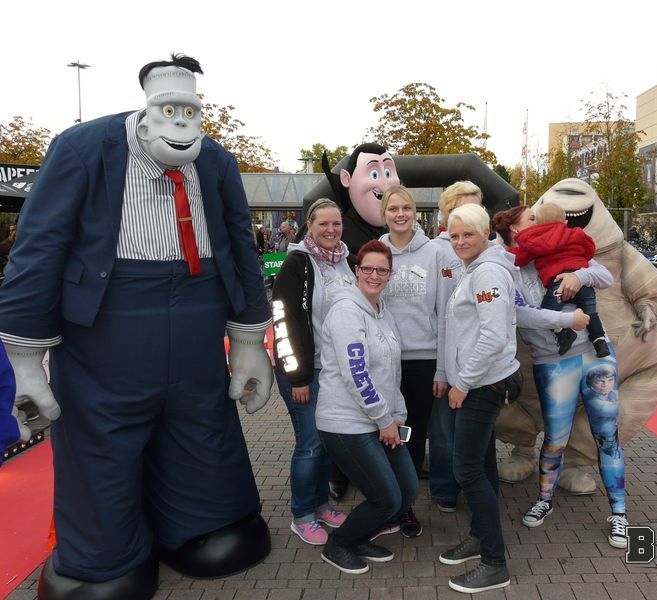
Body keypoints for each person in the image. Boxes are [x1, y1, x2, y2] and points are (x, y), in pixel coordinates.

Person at [0, 54, 274, 597]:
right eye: (170, 111)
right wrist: (27, 362)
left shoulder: (215, 161)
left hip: (197, 318)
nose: (181, 125)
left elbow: (239, 245)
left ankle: (205, 522)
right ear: (147, 112)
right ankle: (104, 557)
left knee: (201, 423)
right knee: (101, 439)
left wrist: (248, 341)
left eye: (190, 112)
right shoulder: (83, 148)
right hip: (106, 327)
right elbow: (40, 248)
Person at [492, 205, 626, 550]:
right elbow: (518, 314)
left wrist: (579, 276)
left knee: (607, 436)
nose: (540, 223)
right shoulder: (506, 265)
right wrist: (565, 321)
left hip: (596, 356)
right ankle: (544, 499)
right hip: (552, 363)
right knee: (555, 439)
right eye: (531, 219)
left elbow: (605, 276)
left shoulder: (564, 246)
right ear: (516, 230)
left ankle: (619, 513)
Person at [315, 240, 417, 574]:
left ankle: (359, 536)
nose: (374, 275)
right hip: (346, 424)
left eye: (381, 270)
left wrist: (396, 415)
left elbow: (392, 371)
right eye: (368, 268)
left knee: (408, 489)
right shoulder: (346, 311)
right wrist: (383, 419)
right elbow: (356, 373)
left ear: (390, 275)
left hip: (380, 420)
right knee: (386, 498)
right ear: (357, 271)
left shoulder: (382, 310)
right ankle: (339, 544)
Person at [438, 203, 516, 594]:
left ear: (486, 233)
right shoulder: (473, 269)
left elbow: (493, 336)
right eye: (454, 235)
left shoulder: (487, 272)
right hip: (476, 382)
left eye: (468, 233)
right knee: (482, 465)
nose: (459, 241)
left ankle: (494, 562)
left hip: (482, 385)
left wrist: (463, 382)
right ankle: (480, 536)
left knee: (466, 469)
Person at [271, 198, 353, 546]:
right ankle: (302, 514)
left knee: (325, 443)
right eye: (324, 224)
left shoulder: (345, 261)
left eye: (336, 224)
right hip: (306, 371)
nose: (331, 230)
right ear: (310, 225)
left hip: (333, 371)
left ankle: (320, 505)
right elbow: (283, 321)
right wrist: (299, 377)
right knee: (310, 444)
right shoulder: (297, 262)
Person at [378, 185, 447, 537]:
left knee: (414, 434)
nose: (400, 214)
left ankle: (405, 505)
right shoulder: (376, 251)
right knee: (385, 431)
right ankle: (387, 500)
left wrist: (442, 368)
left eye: (406, 207)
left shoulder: (435, 253)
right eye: (393, 209)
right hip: (385, 360)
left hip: (423, 359)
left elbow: (445, 313)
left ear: (415, 211)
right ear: (384, 215)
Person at [425, 180, 483, 514]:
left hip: (481, 360)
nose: (473, 212)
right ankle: (444, 486)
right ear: (448, 213)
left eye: (478, 206)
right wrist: (442, 369)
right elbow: (440, 314)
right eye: (465, 207)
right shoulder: (438, 251)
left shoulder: (489, 251)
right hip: (448, 358)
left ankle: (476, 485)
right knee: (444, 428)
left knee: (478, 431)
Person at [512, 202, 609, 358]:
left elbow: (520, 258)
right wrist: (581, 261)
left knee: (549, 309)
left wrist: (579, 277)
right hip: (584, 285)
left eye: (535, 219)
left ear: (540, 223)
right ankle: (599, 341)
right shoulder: (574, 234)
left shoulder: (536, 242)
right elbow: (589, 247)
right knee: (591, 312)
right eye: (530, 219)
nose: (534, 224)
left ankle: (563, 332)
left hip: (557, 284)